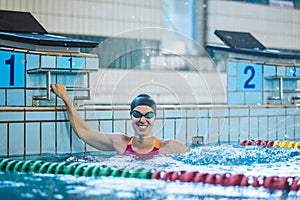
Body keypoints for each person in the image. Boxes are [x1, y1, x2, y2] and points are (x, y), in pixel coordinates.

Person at [51, 84, 190, 156]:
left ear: (154, 118)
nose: (142, 119)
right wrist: (66, 98)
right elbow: (84, 132)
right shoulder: (120, 143)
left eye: (148, 115)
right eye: (137, 114)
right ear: (130, 116)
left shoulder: (170, 147)